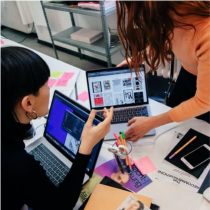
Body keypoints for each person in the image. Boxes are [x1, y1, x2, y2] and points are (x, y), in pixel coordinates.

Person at [1, 46, 113, 210]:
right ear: (28, 103)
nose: (49, 88)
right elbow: (60, 206)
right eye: (46, 84)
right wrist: (85, 148)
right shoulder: (17, 163)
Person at [116, 1, 210, 141]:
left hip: (205, 96)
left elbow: (204, 102)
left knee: (200, 133)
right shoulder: (172, 12)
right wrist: (139, 58)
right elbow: (167, 39)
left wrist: (151, 122)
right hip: (188, 76)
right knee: (174, 129)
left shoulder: (205, 33)